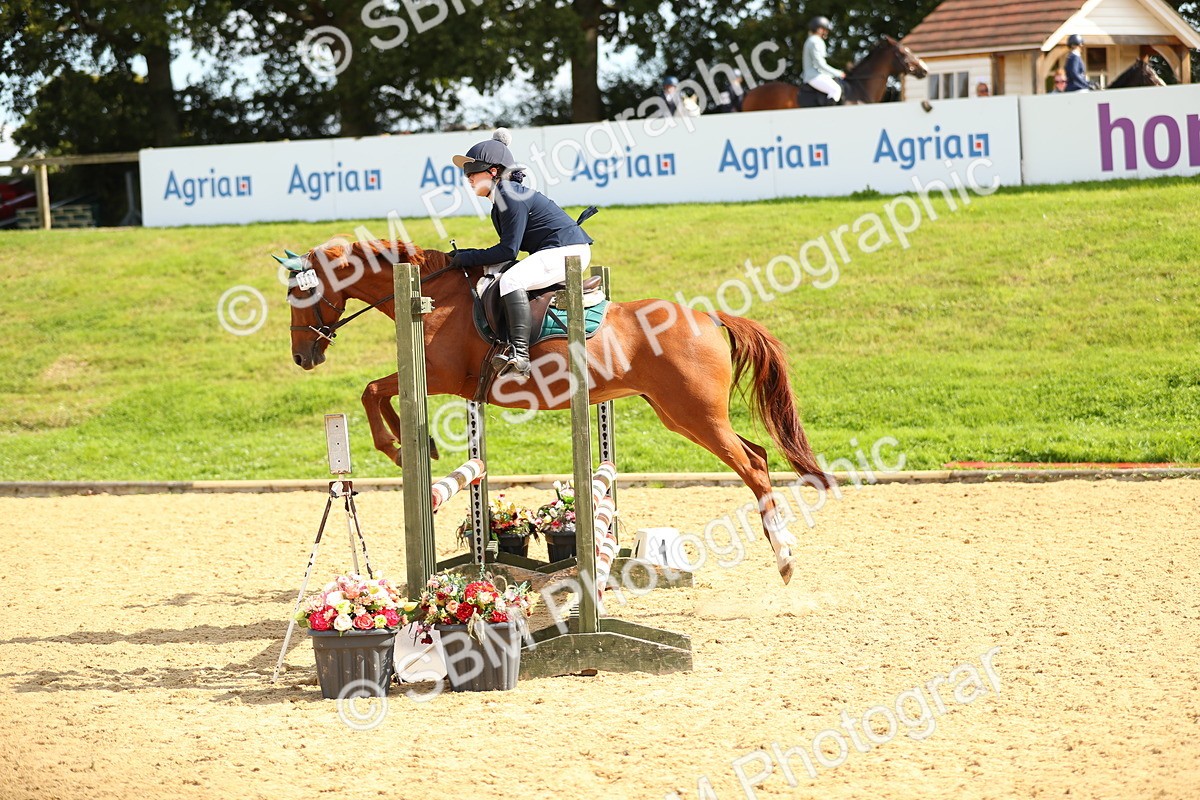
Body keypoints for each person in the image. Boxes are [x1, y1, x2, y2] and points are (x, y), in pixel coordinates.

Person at [450, 129, 595, 380]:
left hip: (567, 251)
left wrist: (468, 257)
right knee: (500, 275)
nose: (469, 178)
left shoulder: (510, 194)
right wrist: (468, 255)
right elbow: (506, 252)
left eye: (473, 172)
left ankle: (519, 355)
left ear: (493, 171)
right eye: (467, 174)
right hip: (560, 250)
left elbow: (508, 250)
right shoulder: (502, 197)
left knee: (511, 280)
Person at [802, 16, 845, 104]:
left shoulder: (812, 40)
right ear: (819, 29)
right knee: (836, 90)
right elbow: (820, 64)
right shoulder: (815, 41)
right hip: (813, 76)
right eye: (824, 29)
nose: (826, 32)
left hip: (817, 74)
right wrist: (839, 73)